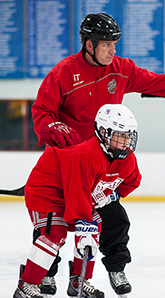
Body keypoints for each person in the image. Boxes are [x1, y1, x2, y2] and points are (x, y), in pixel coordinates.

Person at [31, 13, 165, 296]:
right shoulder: (64, 71)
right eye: (106, 44)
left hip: (102, 163)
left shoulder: (121, 69)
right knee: (53, 221)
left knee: (116, 221)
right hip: (67, 162)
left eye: (114, 44)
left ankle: (115, 268)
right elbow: (42, 110)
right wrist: (51, 125)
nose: (113, 50)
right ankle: (46, 274)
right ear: (89, 45)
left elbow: (158, 83)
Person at [13, 104, 141, 298]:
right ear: (103, 133)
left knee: (93, 228)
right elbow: (77, 192)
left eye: (128, 135)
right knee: (55, 234)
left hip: (70, 192)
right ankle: (27, 284)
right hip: (47, 191)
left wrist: (110, 195)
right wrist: (83, 220)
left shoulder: (127, 159)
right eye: (119, 135)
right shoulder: (85, 154)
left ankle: (79, 281)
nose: (125, 141)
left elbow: (131, 181)